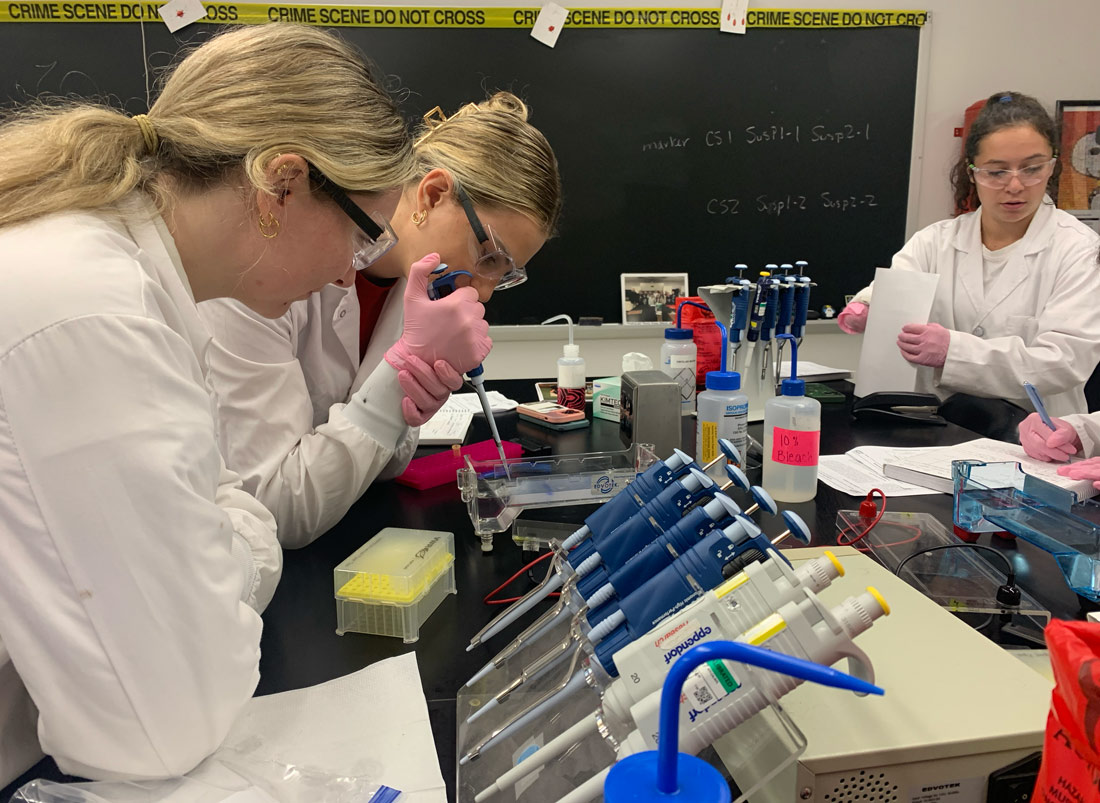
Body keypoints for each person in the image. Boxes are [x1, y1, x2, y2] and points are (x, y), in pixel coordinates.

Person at [0, 25, 487, 785]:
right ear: (282, 184)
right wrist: (244, 552)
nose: (348, 274)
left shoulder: (135, 283)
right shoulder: (98, 315)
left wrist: (218, 552)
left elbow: (224, 494)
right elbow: (166, 725)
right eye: (361, 237)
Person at [198, 94, 561, 548]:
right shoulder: (265, 275)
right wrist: (397, 379)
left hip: (348, 537)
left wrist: (404, 399)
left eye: (504, 275)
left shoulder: (418, 290)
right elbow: (274, 508)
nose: (484, 293)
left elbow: (387, 467)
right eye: (488, 258)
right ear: (433, 194)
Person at [837, 91, 1100, 416]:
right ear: (972, 172)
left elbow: (1063, 362)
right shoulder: (935, 241)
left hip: (1035, 435)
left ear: (1052, 166)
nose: (1015, 186)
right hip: (941, 428)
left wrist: (954, 352)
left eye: (1032, 168)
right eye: (996, 172)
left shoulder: (1080, 250)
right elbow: (899, 284)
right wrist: (869, 304)